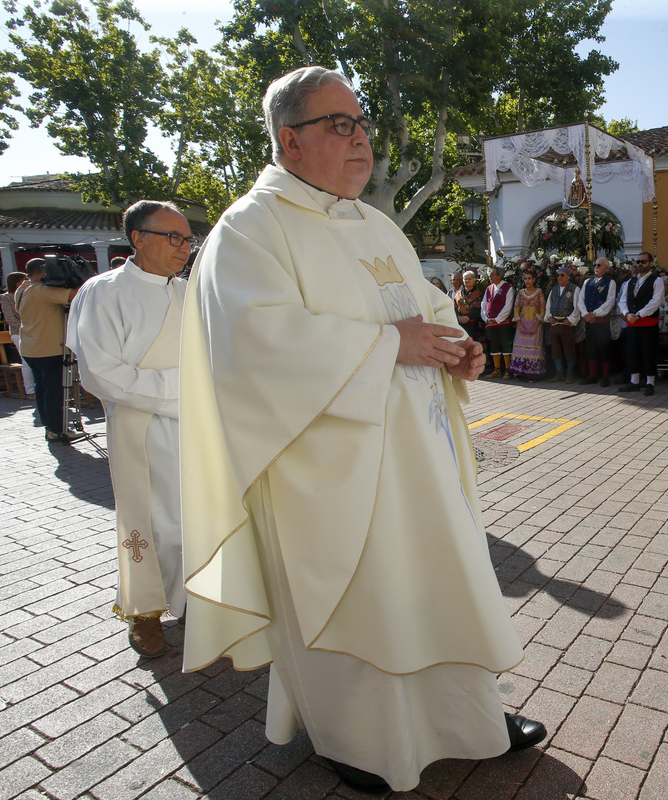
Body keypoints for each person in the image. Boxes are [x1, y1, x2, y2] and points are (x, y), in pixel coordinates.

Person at [178, 66, 544, 795]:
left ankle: (469, 718)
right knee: (365, 601)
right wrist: (389, 347)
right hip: (328, 471)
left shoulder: (376, 224)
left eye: (362, 123)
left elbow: (426, 309)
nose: (362, 140)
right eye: (339, 125)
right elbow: (254, 346)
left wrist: (458, 346)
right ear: (289, 140)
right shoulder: (249, 231)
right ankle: (354, 739)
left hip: (421, 454)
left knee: (436, 585)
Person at [66, 200, 192, 659]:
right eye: (173, 237)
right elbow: (98, 372)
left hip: (195, 428)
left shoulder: (189, 292)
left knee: (191, 519)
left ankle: (193, 601)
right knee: (150, 521)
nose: (184, 247)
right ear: (138, 238)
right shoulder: (103, 292)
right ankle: (144, 611)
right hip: (140, 427)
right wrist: (183, 391)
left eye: (187, 239)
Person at [16, 258, 78, 440]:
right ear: (43, 271)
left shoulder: (22, 289)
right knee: (54, 391)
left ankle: (49, 425)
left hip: (30, 348)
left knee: (42, 388)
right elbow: (74, 294)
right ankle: (57, 429)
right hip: (49, 349)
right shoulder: (42, 291)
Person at [617, 252, 664, 396]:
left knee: (648, 353)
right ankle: (634, 381)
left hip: (648, 323)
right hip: (632, 323)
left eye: (643, 261)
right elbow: (622, 301)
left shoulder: (657, 281)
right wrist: (626, 314)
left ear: (650, 263)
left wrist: (638, 314)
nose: (640, 264)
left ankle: (650, 382)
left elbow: (656, 302)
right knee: (632, 353)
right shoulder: (631, 282)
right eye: (638, 262)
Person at [577, 255, 618, 386]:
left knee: (604, 349)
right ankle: (592, 375)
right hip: (589, 322)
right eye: (595, 265)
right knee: (591, 349)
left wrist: (594, 314)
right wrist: (585, 314)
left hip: (601, 322)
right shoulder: (587, 282)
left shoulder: (610, 283)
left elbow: (609, 302)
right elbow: (580, 300)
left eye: (599, 265)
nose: (596, 267)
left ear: (605, 268)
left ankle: (605, 377)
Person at [544, 264, 581, 383]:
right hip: (555, 324)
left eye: (562, 275)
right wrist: (549, 317)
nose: (559, 277)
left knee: (569, 350)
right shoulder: (554, 289)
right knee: (556, 350)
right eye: (558, 275)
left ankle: (570, 375)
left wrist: (570, 319)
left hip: (567, 325)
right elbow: (548, 306)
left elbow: (577, 307)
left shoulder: (575, 289)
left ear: (568, 277)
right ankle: (559, 373)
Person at [0, 272, 34, 396]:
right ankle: (29, 390)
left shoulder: (30, 293)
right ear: (16, 282)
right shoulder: (5, 297)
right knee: (27, 360)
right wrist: (27, 328)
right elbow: (10, 318)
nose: (26, 282)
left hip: (35, 331)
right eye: (23, 280)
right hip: (19, 332)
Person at [509, 267, 546, 379]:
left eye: (529, 278)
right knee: (520, 347)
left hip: (535, 323)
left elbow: (542, 309)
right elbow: (516, 308)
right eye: (525, 278)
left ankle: (532, 373)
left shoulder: (539, 292)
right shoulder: (520, 293)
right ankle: (520, 371)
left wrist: (536, 325)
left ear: (534, 279)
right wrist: (520, 325)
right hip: (522, 322)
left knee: (534, 347)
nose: (527, 281)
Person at [481, 265, 515, 378]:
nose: (490, 276)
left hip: (504, 323)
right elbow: (484, 305)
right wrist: (486, 318)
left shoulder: (508, 288)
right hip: (491, 324)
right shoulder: (489, 288)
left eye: (492, 274)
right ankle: (496, 370)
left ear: (499, 275)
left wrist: (497, 319)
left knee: (506, 345)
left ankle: (507, 370)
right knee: (494, 346)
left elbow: (508, 306)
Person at [454, 269, 486, 346]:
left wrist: (468, 317)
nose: (467, 280)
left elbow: (480, 308)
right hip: (461, 324)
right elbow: (454, 307)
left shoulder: (479, 294)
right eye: (465, 279)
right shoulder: (458, 294)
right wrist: (458, 317)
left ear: (474, 280)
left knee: (474, 345)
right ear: (463, 280)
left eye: (470, 279)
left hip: (474, 324)